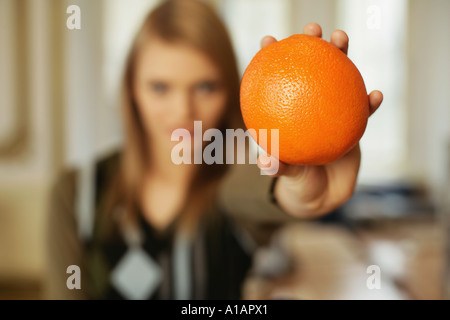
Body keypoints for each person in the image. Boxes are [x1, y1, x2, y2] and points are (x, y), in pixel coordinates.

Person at [45, 0, 383, 300]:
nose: (182, 111)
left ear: (233, 92)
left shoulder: (230, 177)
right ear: (131, 89)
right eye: (160, 87)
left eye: (205, 87)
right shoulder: (77, 192)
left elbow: (272, 190)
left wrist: (305, 190)